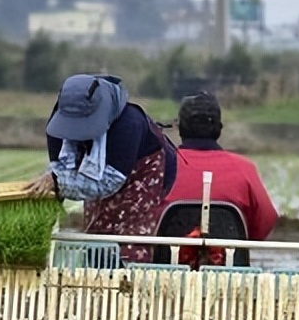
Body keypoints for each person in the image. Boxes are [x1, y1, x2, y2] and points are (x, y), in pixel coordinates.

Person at [26, 73, 177, 263]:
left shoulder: (129, 123)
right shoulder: (59, 121)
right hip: (94, 167)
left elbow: (109, 181)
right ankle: (98, 285)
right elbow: (60, 168)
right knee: (97, 233)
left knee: (131, 240)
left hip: (143, 172)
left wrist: (57, 182)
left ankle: (132, 286)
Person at [164, 90, 279, 245]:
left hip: (165, 266)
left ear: (180, 128)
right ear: (219, 128)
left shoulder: (159, 166)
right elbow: (266, 220)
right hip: (228, 265)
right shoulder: (244, 169)